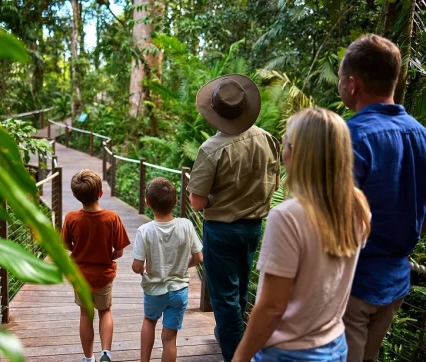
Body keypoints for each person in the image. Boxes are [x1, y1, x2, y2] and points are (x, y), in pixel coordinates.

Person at [232, 108, 372, 362]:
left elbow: (272, 307)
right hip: (334, 344)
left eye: (285, 142)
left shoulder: (288, 217)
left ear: (297, 152)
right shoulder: (357, 206)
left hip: (288, 351)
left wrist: (240, 356)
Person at [337, 34, 426, 362]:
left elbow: (334, 220)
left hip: (353, 283)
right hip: (395, 283)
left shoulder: (350, 138)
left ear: (352, 83)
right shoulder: (422, 135)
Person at [186, 74, 280, 360]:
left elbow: (197, 201)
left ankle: (234, 355)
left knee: (224, 300)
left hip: (222, 232)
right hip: (254, 229)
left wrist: (220, 197)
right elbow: (274, 184)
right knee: (238, 292)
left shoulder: (211, 148)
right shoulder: (266, 139)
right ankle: (235, 341)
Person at [61, 169, 131, 362]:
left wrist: (78, 248)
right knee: (105, 311)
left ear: (75, 196)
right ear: (101, 193)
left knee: (85, 314)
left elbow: (66, 244)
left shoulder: (71, 218)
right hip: (103, 275)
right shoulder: (112, 218)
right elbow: (119, 251)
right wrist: (106, 255)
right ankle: (106, 353)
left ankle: (88, 358)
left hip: (80, 275)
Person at [132, 177, 203, 362]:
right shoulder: (186, 225)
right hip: (179, 291)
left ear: (147, 203)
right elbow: (198, 257)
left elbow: (137, 266)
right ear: (176, 201)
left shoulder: (144, 230)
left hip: (154, 290)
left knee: (149, 321)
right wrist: (181, 266)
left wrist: (143, 270)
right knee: (170, 338)